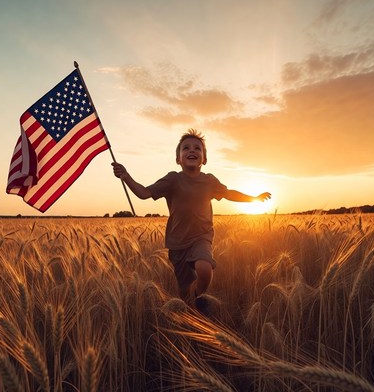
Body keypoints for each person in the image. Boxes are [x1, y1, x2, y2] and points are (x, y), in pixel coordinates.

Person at [112, 129, 271, 313]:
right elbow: (144, 193)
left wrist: (254, 198)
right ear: (178, 159)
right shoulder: (172, 179)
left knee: (204, 269)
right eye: (185, 148)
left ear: (204, 159)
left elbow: (229, 194)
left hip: (201, 237)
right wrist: (126, 176)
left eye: (197, 148)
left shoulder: (209, 181)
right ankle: (189, 309)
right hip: (177, 243)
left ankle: (198, 300)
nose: (191, 150)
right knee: (183, 290)